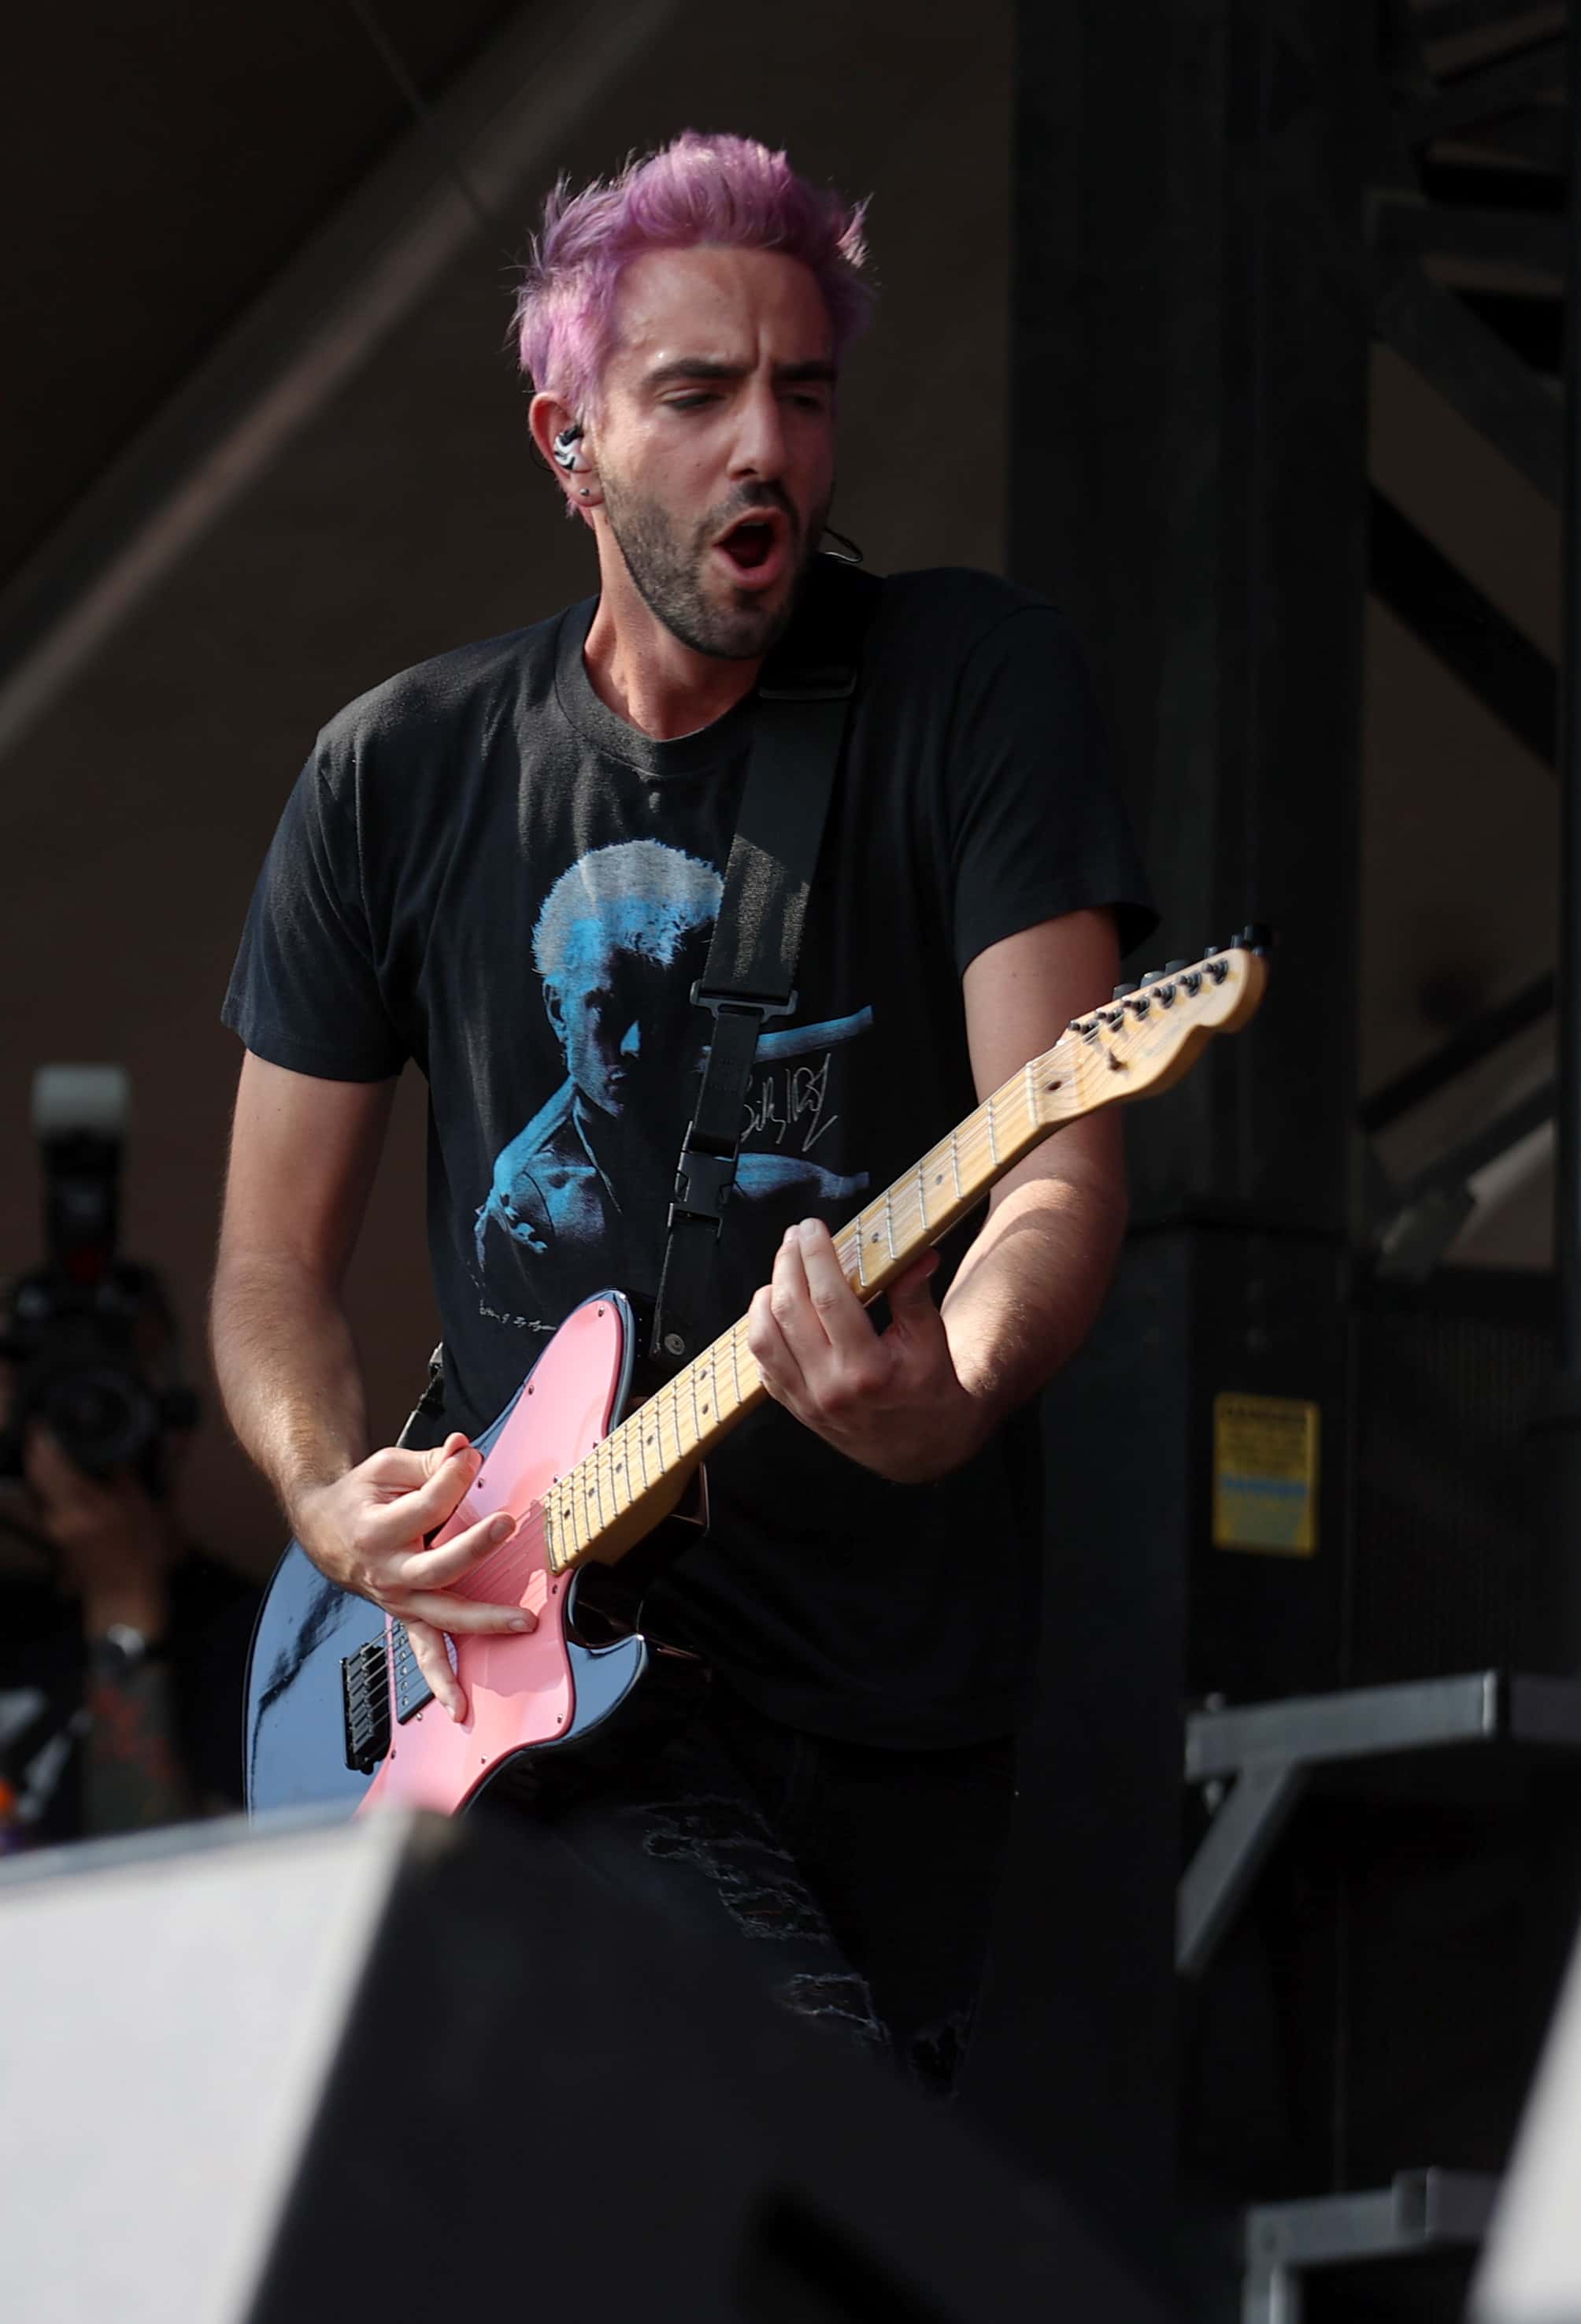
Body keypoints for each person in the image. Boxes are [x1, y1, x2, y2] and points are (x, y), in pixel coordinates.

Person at [212, 132, 1153, 2087]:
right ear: (566, 441)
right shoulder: (396, 775)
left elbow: (1053, 1144)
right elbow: (263, 1266)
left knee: (827, 2228)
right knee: (806, 2134)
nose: (765, 449)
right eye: (695, 393)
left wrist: (957, 1378)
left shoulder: (970, 692)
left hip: (893, 1691)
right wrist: (327, 1501)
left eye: (801, 392)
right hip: (524, 1676)